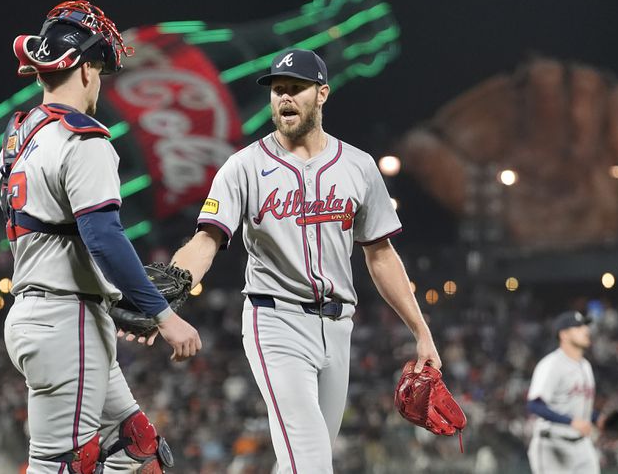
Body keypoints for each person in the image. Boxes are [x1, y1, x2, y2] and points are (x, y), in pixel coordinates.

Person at [166, 48, 442, 472]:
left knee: (299, 460)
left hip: (337, 328)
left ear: (323, 94)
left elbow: (381, 254)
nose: (285, 98)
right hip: (275, 322)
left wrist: (421, 332)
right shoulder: (244, 166)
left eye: (296, 88)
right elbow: (207, 239)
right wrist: (173, 284)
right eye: (278, 90)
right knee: (311, 462)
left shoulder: (358, 166)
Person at [0, 0, 201, 474]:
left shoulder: (19, 135)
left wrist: (110, 298)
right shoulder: (83, 138)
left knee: (139, 448)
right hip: (66, 321)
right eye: (101, 69)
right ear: (87, 69)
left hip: (49, 313)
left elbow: (54, 233)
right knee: (64, 466)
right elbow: (102, 236)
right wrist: (162, 314)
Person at [526, 311, 599, 474]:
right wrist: (571, 422)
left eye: (585, 326)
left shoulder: (585, 366)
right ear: (564, 335)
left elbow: (578, 407)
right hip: (552, 445)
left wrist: (599, 419)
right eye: (578, 327)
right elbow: (534, 405)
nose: (586, 330)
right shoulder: (551, 365)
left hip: (582, 445)